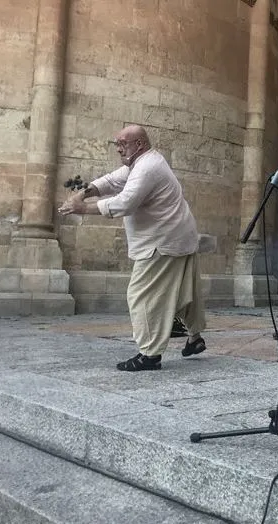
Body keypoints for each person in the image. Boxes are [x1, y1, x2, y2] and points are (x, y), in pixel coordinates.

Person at [58, 125, 208, 371]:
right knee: (185, 292)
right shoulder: (141, 163)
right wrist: (83, 194)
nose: (118, 148)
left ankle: (149, 355)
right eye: (117, 143)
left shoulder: (147, 167)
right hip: (178, 236)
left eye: (122, 143)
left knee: (140, 295)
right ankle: (195, 338)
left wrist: (82, 208)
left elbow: (125, 203)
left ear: (139, 144)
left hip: (163, 241)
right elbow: (111, 180)